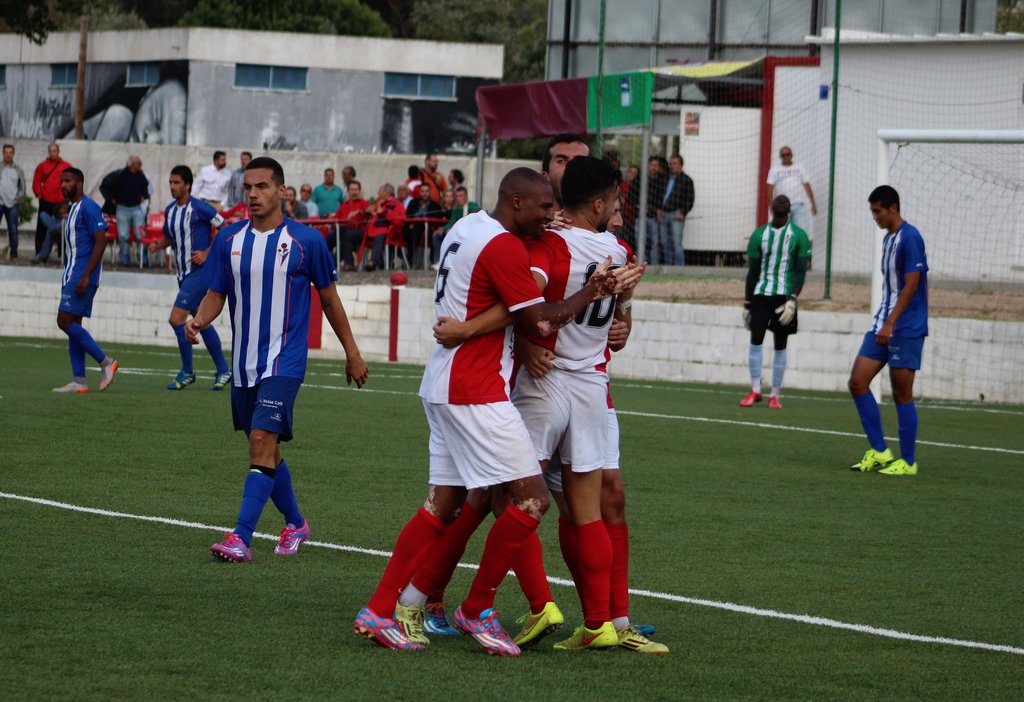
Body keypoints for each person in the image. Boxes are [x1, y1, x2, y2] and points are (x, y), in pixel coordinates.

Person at [353, 167, 641, 655]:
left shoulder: (467, 226)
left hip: (445, 382)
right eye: (543, 207)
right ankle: (478, 606)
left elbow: (509, 303)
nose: (551, 216)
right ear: (517, 202)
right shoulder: (508, 246)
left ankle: (386, 608)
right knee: (530, 500)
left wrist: (470, 327)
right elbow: (538, 319)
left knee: (445, 505)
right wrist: (593, 291)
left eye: (555, 207)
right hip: (478, 387)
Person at [187, 156, 369, 562]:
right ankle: (296, 523)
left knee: (261, 441)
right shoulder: (228, 240)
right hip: (244, 363)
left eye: (262, 186)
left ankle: (241, 538)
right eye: (248, 188)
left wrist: (352, 353)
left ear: (282, 191)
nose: (253, 194)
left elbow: (330, 300)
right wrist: (199, 320)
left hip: (284, 361)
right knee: (267, 450)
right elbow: (216, 293)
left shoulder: (307, 242)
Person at [848, 185, 928, 477]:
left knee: (901, 393)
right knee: (857, 382)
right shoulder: (888, 239)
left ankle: (907, 462)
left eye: (877, 211)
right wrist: (885, 321)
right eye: (872, 211)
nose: (875, 216)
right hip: (882, 324)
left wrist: (892, 321)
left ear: (893, 208)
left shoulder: (911, 237)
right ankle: (880, 451)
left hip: (904, 326)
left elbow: (912, 284)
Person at [147, 165, 231, 391]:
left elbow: (224, 228)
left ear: (188, 185)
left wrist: (208, 253)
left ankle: (187, 371)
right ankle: (223, 369)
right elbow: (169, 236)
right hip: (183, 274)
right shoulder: (170, 210)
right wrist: (158, 245)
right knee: (201, 322)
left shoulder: (200, 208)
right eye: (170, 182)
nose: (172, 186)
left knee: (176, 319)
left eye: (176, 182)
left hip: (200, 273)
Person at [740, 195, 810, 410]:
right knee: (755, 340)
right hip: (761, 294)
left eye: (783, 214)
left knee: (781, 344)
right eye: (777, 214)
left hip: (784, 297)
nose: (779, 217)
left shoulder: (799, 236)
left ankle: (775, 394)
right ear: (772, 211)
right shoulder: (759, 235)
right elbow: (753, 273)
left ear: (788, 212)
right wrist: (747, 304)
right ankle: (755, 390)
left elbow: (800, 272)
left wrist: (793, 300)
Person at [53, 167, 119, 394]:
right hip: (72, 274)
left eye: (67, 181)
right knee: (73, 324)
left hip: (82, 275)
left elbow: (101, 241)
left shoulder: (89, 206)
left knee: (64, 320)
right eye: (62, 181)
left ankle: (106, 362)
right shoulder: (73, 208)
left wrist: (86, 275)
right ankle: (79, 380)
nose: (63, 185)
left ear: (79, 183)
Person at [100, 155, 151, 267]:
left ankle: (143, 259)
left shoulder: (140, 175)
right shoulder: (119, 175)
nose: (141, 166)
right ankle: (124, 259)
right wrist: (110, 198)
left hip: (137, 208)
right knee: (123, 236)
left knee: (141, 235)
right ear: (132, 165)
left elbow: (146, 187)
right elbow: (104, 185)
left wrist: (144, 195)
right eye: (139, 163)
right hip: (122, 208)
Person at [766, 146, 818, 250]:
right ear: (780, 157)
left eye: (788, 154)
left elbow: (807, 185)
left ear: (792, 155)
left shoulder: (799, 167)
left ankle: (801, 254)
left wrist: (813, 203)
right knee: (782, 232)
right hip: (782, 207)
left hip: (798, 205)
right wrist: (771, 206)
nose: (786, 157)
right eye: (783, 155)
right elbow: (770, 188)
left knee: (800, 231)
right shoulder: (775, 170)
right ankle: (782, 253)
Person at [32, 142, 72, 260]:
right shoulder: (42, 166)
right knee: (41, 227)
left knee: (62, 227)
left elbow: (72, 182)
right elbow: (36, 181)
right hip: (46, 200)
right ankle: (39, 252)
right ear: (48, 152)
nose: (52, 153)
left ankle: (61, 254)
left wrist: (69, 197)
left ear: (58, 152)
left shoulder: (66, 166)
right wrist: (39, 194)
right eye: (50, 151)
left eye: (54, 151)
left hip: (61, 202)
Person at [658, 154, 695, 266]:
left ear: (681, 165)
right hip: (663, 214)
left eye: (674, 163)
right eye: (671, 163)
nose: (672, 166)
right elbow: (659, 195)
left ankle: (679, 268)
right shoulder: (664, 178)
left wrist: (683, 213)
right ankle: (668, 267)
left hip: (676, 214)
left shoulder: (686, 180)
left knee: (676, 243)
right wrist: (658, 210)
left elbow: (690, 199)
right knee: (665, 243)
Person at [629, 156, 667, 263]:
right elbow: (631, 196)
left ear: (659, 167)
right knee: (640, 242)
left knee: (655, 243)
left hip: (653, 217)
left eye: (656, 165)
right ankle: (642, 263)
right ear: (648, 166)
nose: (653, 167)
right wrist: (638, 205)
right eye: (652, 165)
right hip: (640, 216)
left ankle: (654, 265)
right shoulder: (639, 179)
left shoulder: (662, 181)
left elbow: (663, 199)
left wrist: (658, 210)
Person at [403, 180, 446, 267]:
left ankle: (420, 260)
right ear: (419, 192)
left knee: (420, 233)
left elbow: (438, 219)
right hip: (412, 227)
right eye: (422, 191)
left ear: (429, 192)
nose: (424, 194)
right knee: (406, 232)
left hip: (428, 228)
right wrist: (410, 223)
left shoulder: (435, 205)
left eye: (426, 191)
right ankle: (408, 259)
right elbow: (407, 216)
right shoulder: (413, 203)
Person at [363, 183, 405, 272]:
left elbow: (399, 220)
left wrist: (385, 211)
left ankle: (373, 262)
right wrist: (368, 212)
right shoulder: (379, 203)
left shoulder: (397, 204)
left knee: (379, 237)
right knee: (351, 235)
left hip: (389, 232)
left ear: (386, 192)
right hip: (372, 230)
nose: (378, 193)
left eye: (380, 191)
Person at [432, 186, 479, 263]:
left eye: (461, 196)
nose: (459, 198)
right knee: (437, 234)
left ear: (466, 196)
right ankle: (440, 260)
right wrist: (443, 228)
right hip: (459, 232)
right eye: (457, 196)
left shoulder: (473, 206)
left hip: (471, 232)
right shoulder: (456, 209)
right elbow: (452, 222)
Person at [333, 180, 370, 270]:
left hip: (359, 231)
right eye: (352, 190)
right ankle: (330, 261)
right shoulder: (344, 205)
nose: (354, 192)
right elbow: (335, 219)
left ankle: (346, 263)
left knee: (341, 233)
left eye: (356, 190)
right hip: (344, 231)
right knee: (339, 233)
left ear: (359, 191)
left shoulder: (364, 203)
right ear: (348, 192)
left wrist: (359, 211)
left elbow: (370, 210)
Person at [0, 144, 26, 260]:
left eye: (10, 152)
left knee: (13, 229)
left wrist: (19, 197)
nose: (8, 155)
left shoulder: (18, 170)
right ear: (3, 153)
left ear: (13, 154)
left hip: (13, 204)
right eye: (6, 152)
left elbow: (22, 186)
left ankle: (14, 254)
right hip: (0, 202)